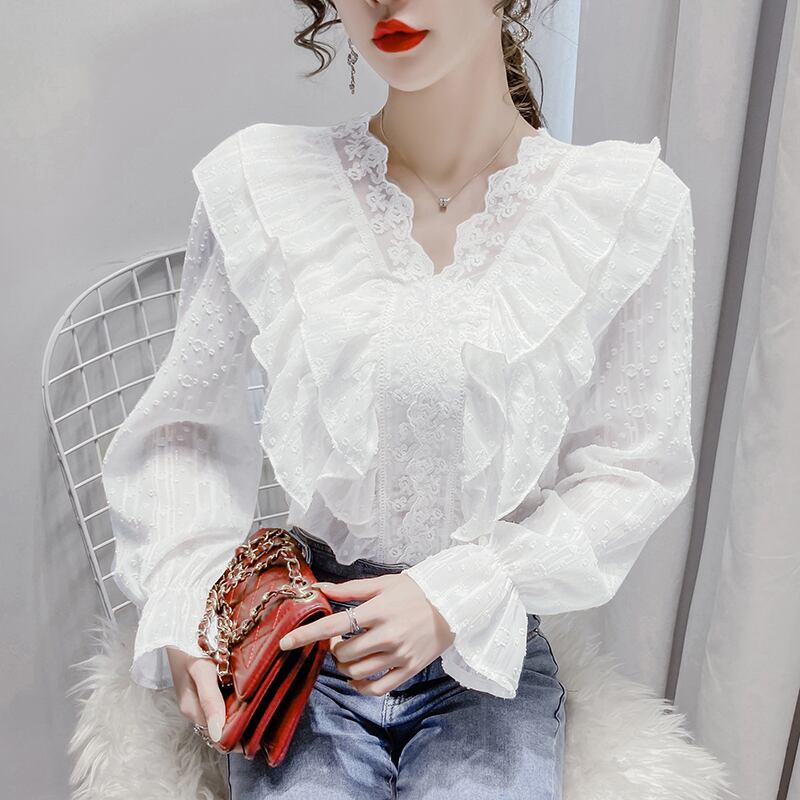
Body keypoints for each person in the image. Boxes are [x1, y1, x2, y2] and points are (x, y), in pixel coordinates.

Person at [100, 1, 696, 797]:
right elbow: (183, 433)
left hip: (483, 655)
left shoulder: (622, 205)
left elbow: (632, 466)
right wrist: (185, 598)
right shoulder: (262, 183)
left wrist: (463, 592)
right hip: (306, 646)